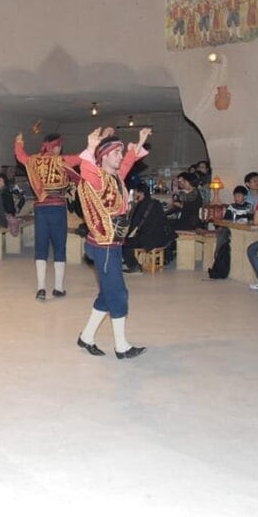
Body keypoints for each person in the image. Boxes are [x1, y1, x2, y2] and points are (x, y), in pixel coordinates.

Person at [75, 127, 151, 360]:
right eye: (116, 152)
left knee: (107, 295)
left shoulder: (114, 177)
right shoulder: (97, 178)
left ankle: (86, 337)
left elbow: (127, 163)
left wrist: (138, 143)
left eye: (120, 152)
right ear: (104, 156)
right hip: (104, 245)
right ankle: (122, 347)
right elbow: (85, 169)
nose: (120, 156)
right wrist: (90, 147)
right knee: (118, 294)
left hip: (111, 244)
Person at [14, 132, 81, 301]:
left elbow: (20, 156)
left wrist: (19, 142)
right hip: (58, 207)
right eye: (60, 146)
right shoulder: (61, 160)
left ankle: (41, 289)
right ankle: (58, 288)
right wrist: (95, 144)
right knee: (60, 248)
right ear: (56, 146)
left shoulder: (33, 161)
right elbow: (81, 158)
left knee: (41, 248)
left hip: (41, 209)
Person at [122, 184, 173, 274]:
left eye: (135, 193)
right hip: (162, 238)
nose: (134, 196)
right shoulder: (156, 203)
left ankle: (134, 266)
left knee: (124, 244)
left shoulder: (141, 205)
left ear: (141, 193)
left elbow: (135, 225)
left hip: (149, 240)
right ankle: (131, 261)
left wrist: (126, 236)